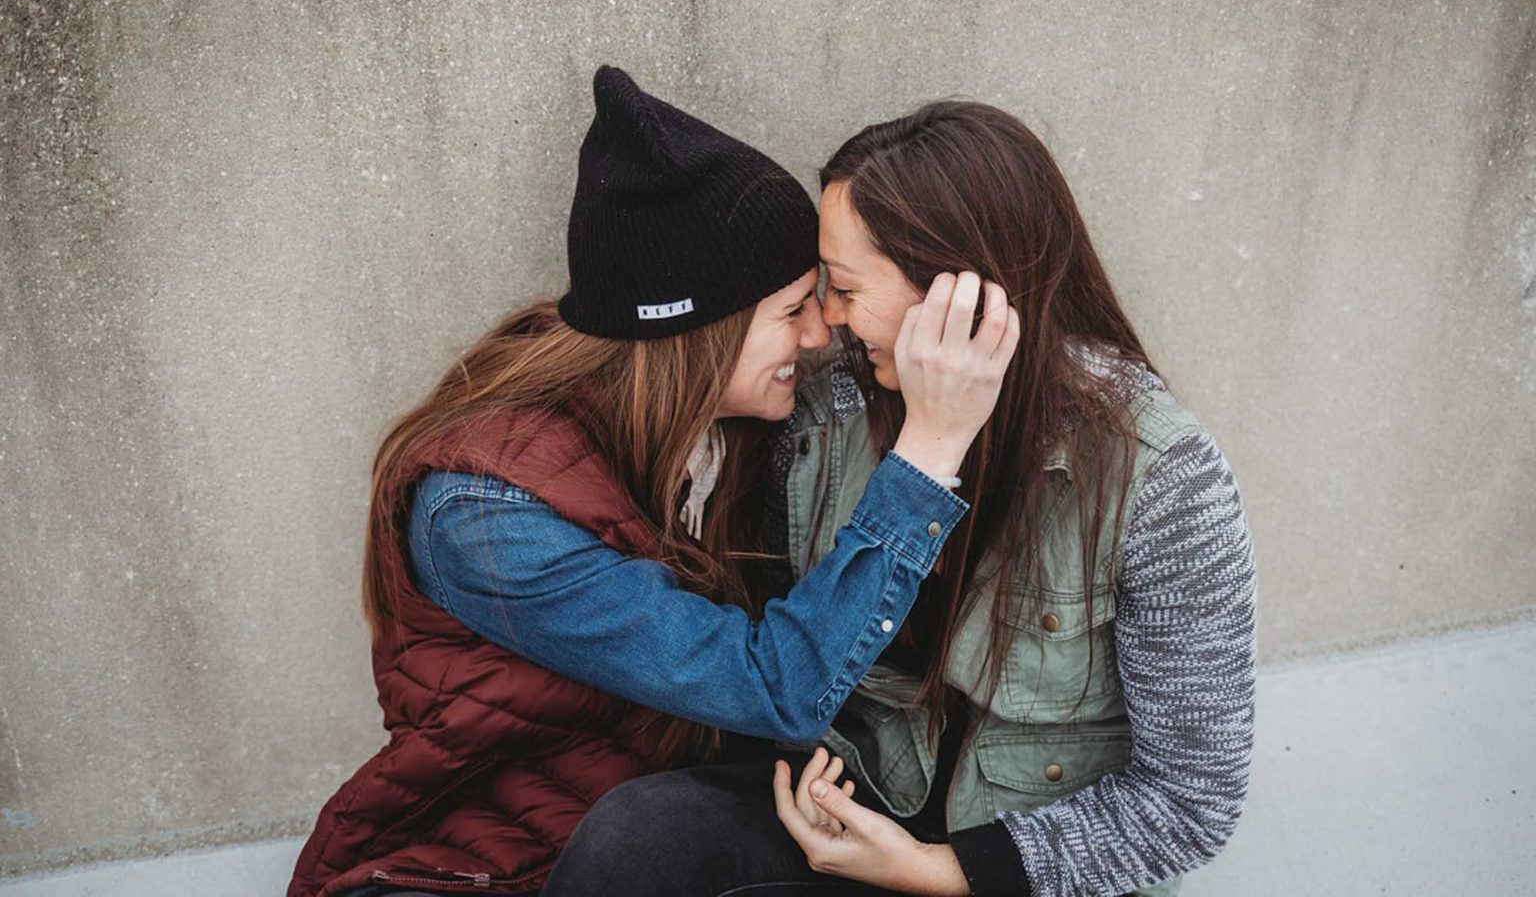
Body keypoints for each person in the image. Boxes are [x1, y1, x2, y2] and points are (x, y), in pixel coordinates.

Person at [287, 71, 1018, 897]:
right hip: (485, 865)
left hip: (656, 833)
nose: (821, 335)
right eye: (791, 313)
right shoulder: (486, 518)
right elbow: (773, 686)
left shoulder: (723, 427)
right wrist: (928, 451)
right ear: (697, 336)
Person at [543, 100, 1257, 897]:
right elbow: (783, 648)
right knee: (635, 843)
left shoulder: (1161, 482)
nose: (829, 324)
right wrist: (804, 783)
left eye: (844, 289)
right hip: (857, 804)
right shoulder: (825, 417)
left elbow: (1191, 802)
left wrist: (936, 871)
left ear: (963, 296)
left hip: (1015, 868)